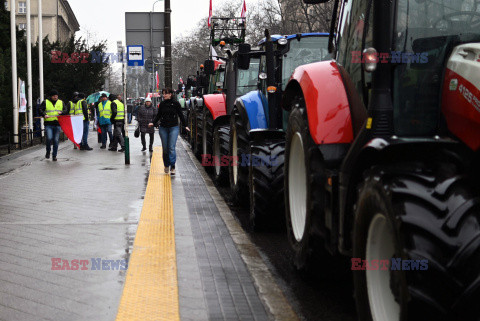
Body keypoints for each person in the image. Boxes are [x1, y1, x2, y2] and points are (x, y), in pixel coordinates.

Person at [150, 88, 190, 175]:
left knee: (171, 147)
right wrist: (153, 123)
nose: (164, 95)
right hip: (163, 128)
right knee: (165, 148)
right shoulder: (162, 104)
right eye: (163, 94)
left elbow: (180, 115)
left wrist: (185, 125)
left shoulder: (176, 103)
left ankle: (173, 166)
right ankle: (166, 165)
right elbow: (159, 115)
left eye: (166, 94)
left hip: (173, 128)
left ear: (171, 94)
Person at [39, 89, 67, 161]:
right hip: (48, 124)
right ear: (51, 96)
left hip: (57, 124)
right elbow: (40, 110)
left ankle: (54, 155)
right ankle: (48, 151)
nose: (55, 97)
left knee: (56, 140)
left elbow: (66, 110)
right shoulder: (45, 102)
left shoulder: (61, 102)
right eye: (54, 96)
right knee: (49, 138)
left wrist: (62, 112)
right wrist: (44, 114)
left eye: (56, 96)